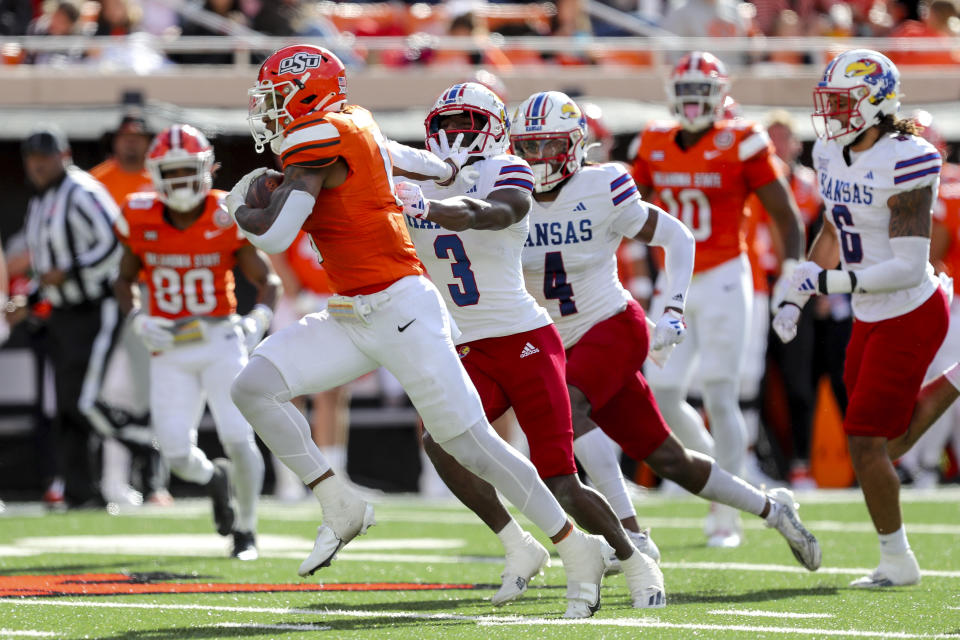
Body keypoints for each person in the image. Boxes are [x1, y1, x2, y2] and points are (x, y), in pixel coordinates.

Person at [226, 44, 613, 619]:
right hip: (352, 311)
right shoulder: (350, 122)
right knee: (252, 387)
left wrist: (239, 208)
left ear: (308, 91)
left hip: (401, 308)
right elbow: (395, 154)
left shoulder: (318, 137)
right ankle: (339, 502)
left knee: (471, 443)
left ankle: (576, 547)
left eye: (278, 96)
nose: (271, 109)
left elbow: (278, 236)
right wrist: (446, 169)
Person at [510, 89, 820, 574]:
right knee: (672, 458)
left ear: (574, 145)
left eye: (550, 145)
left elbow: (677, 236)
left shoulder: (603, 185)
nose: (539, 158)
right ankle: (772, 508)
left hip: (612, 324)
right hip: (561, 339)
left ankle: (630, 533)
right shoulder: (510, 197)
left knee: (569, 405)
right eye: (529, 147)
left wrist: (671, 308)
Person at [392, 83, 664, 609]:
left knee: (560, 477)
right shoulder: (412, 178)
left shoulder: (507, 168)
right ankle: (516, 543)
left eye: (467, 125)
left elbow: (497, 212)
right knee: (440, 443)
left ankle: (634, 559)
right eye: (446, 125)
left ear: (493, 129)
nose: (453, 137)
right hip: (469, 344)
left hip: (524, 341)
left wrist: (431, 203)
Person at [773, 49, 960, 587]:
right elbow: (834, 230)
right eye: (827, 101)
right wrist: (796, 293)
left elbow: (905, 266)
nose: (829, 113)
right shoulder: (831, 152)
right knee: (883, 442)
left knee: (864, 441)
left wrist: (823, 283)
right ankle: (954, 378)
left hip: (909, 310)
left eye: (840, 101)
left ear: (875, 101)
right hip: (869, 311)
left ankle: (897, 559)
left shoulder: (908, 157)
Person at [630, 51, 805, 547]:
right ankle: (725, 477)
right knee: (662, 392)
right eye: (684, 92)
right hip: (676, 281)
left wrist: (791, 272)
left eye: (700, 92)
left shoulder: (743, 140)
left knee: (722, 394)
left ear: (720, 94)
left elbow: (785, 213)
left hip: (729, 275)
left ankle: (723, 516)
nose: (691, 103)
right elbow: (628, 201)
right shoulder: (653, 139)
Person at [113, 124, 276, 559]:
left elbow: (268, 281)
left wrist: (257, 318)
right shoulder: (138, 214)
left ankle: (247, 529)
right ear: (155, 173)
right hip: (169, 346)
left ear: (206, 168)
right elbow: (124, 279)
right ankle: (213, 480)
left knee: (238, 438)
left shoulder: (224, 212)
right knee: (175, 452)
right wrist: (137, 319)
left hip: (221, 339)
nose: (182, 180)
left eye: (189, 169)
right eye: (172, 171)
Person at [18, 125, 126, 508]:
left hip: (97, 306)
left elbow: (116, 239)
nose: (37, 166)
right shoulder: (39, 202)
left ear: (63, 156)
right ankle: (82, 493)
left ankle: (144, 445)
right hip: (62, 312)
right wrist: (29, 297)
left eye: (44, 157)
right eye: (32, 159)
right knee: (66, 404)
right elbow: (46, 266)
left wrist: (73, 270)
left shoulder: (82, 191)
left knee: (83, 401)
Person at [91, 108, 171, 507]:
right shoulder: (96, 182)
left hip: (155, 297)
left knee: (155, 393)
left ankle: (154, 481)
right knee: (107, 395)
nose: (131, 142)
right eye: (125, 135)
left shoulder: (159, 180)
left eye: (138, 136)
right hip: (106, 301)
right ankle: (110, 482)